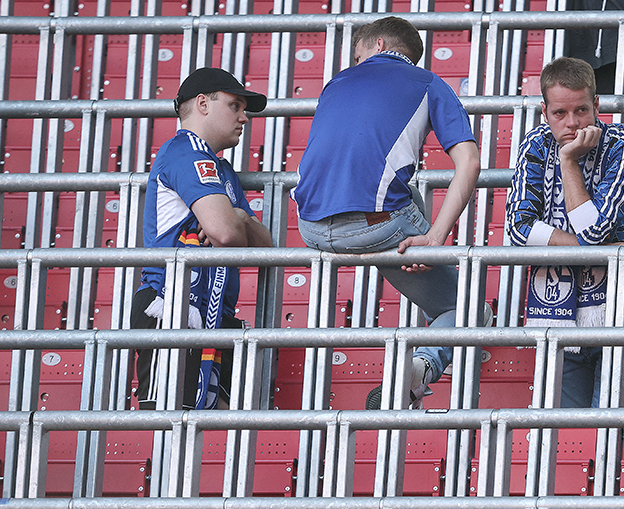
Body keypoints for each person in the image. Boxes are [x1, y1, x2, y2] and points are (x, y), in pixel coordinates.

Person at [292, 16, 483, 409]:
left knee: (407, 190)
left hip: (309, 227)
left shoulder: (336, 84)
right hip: (376, 228)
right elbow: (470, 163)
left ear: (378, 45)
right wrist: (434, 239)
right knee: (468, 307)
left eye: (358, 54)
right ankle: (420, 366)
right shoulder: (430, 84)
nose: (356, 63)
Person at [506, 57, 624, 408]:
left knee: (609, 434)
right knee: (570, 443)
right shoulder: (534, 145)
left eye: (581, 110)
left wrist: (568, 162)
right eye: (560, 114)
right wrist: (606, 250)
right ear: (544, 111)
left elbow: (593, 231)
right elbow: (518, 229)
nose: (573, 124)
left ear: (596, 105)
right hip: (561, 315)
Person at [132, 67, 273, 410]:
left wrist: (236, 218)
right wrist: (233, 223)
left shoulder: (220, 167)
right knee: (172, 426)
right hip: (175, 309)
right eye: (235, 105)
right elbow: (227, 233)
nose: (244, 117)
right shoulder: (186, 151)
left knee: (214, 434)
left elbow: (265, 248)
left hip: (213, 313)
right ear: (203, 104)